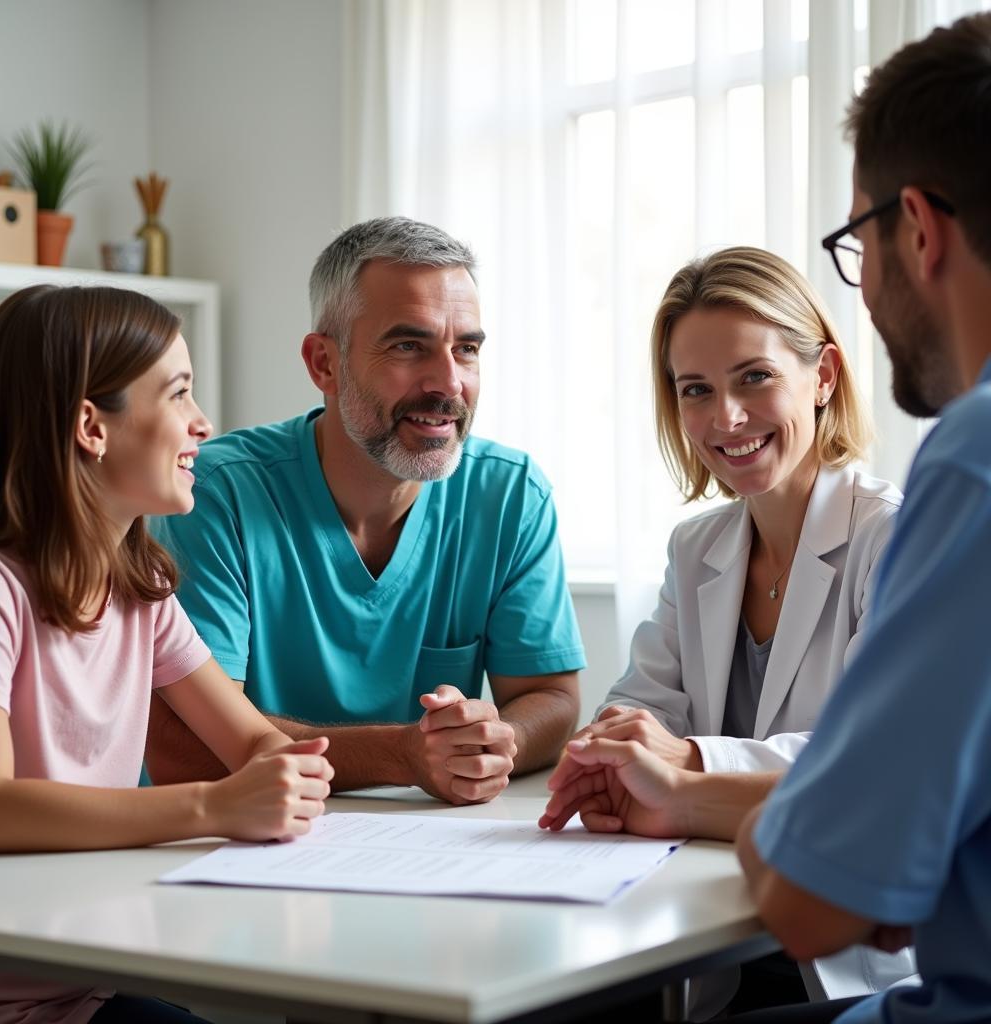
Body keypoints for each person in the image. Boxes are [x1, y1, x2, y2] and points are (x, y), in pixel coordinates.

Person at [540, 247, 914, 1015]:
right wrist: (610, 747)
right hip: (709, 930)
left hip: (850, 957)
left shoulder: (895, 537)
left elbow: (872, 766)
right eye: (696, 391)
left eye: (755, 377)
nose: (726, 418)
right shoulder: (699, 546)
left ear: (825, 378)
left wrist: (681, 761)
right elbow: (642, 702)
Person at [0, 285, 333, 1024]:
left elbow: (251, 737)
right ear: (90, 427)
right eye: (178, 395)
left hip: (84, 976)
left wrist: (289, 766)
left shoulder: (143, 590)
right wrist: (215, 804)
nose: (203, 425)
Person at [731, 10, 991, 1022]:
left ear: (917, 228)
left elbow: (809, 902)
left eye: (858, 238)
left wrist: (807, 838)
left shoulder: (970, 464)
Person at [148, 216, 585, 804]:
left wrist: (494, 740)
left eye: (467, 349)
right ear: (323, 363)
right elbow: (180, 743)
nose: (448, 382)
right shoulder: (214, 492)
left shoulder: (510, 494)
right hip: (223, 844)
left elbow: (550, 698)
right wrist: (404, 755)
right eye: (409, 346)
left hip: (426, 848)